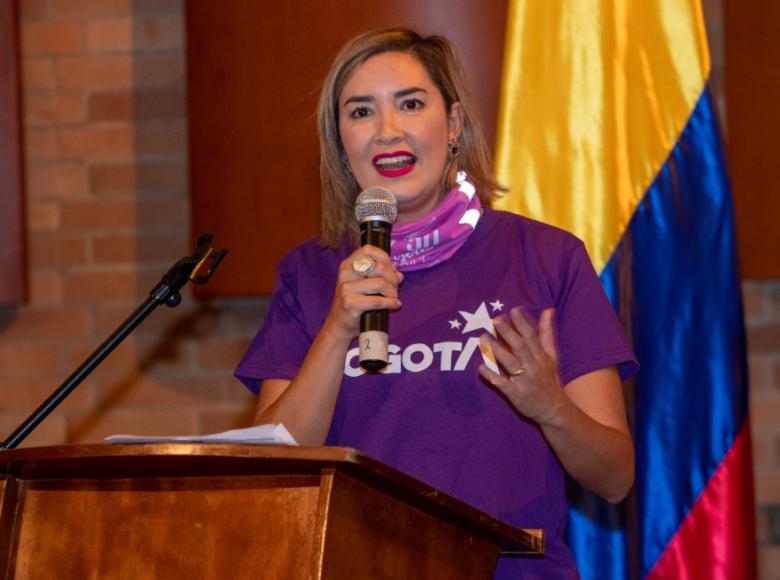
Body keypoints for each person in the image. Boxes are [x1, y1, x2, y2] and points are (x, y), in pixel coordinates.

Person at [235, 27, 637, 579]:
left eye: (410, 104)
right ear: (341, 143)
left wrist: (551, 408)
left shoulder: (546, 258)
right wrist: (336, 330)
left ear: (452, 125)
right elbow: (274, 473)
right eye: (360, 112)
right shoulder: (308, 275)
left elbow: (615, 477)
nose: (386, 131)